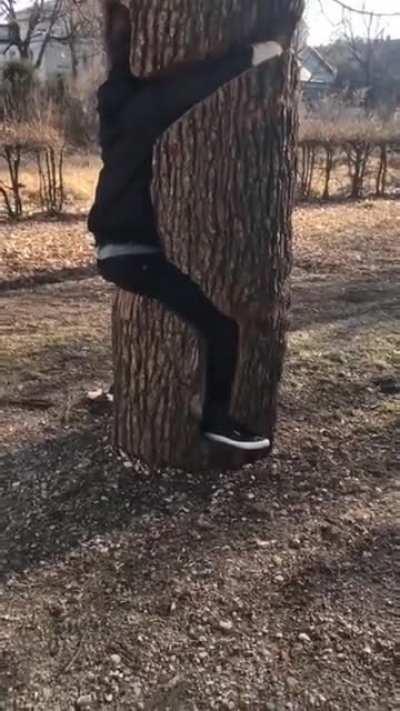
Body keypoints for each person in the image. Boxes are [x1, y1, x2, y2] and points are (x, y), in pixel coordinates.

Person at [89, 0, 286, 451]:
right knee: (222, 329)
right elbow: (199, 83)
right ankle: (217, 419)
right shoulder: (143, 107)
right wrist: (265, 49)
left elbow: (130, 57)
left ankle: (211, 413)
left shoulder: (116, 101)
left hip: (119, 252)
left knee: (214, 326)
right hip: (133, 256)